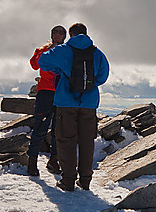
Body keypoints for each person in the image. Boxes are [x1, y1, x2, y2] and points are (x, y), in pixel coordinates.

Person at [38, 23, 109, 191]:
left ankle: (68, 180)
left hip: (65, 102)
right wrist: (88, 86)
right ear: (86, 33)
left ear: (70, 35)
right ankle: (85, 181)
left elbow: (43, 62)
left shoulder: (63, 50)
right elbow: (103, 76)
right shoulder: (97, 53)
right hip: (89, 103)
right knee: (86, 141)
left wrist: (61, 70)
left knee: (65, 140)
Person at [26, 25, 67, 176]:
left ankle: (54, 161)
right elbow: (34, 65)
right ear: (51, 34)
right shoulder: (42, 50)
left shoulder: (67, 51)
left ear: (64, 36)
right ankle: (32, 162)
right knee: (40, 128)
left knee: (58, 129)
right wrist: (47, 49)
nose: (57, 34)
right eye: (55, 32)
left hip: (61, 93)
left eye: (60, 32)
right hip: (45, 92)